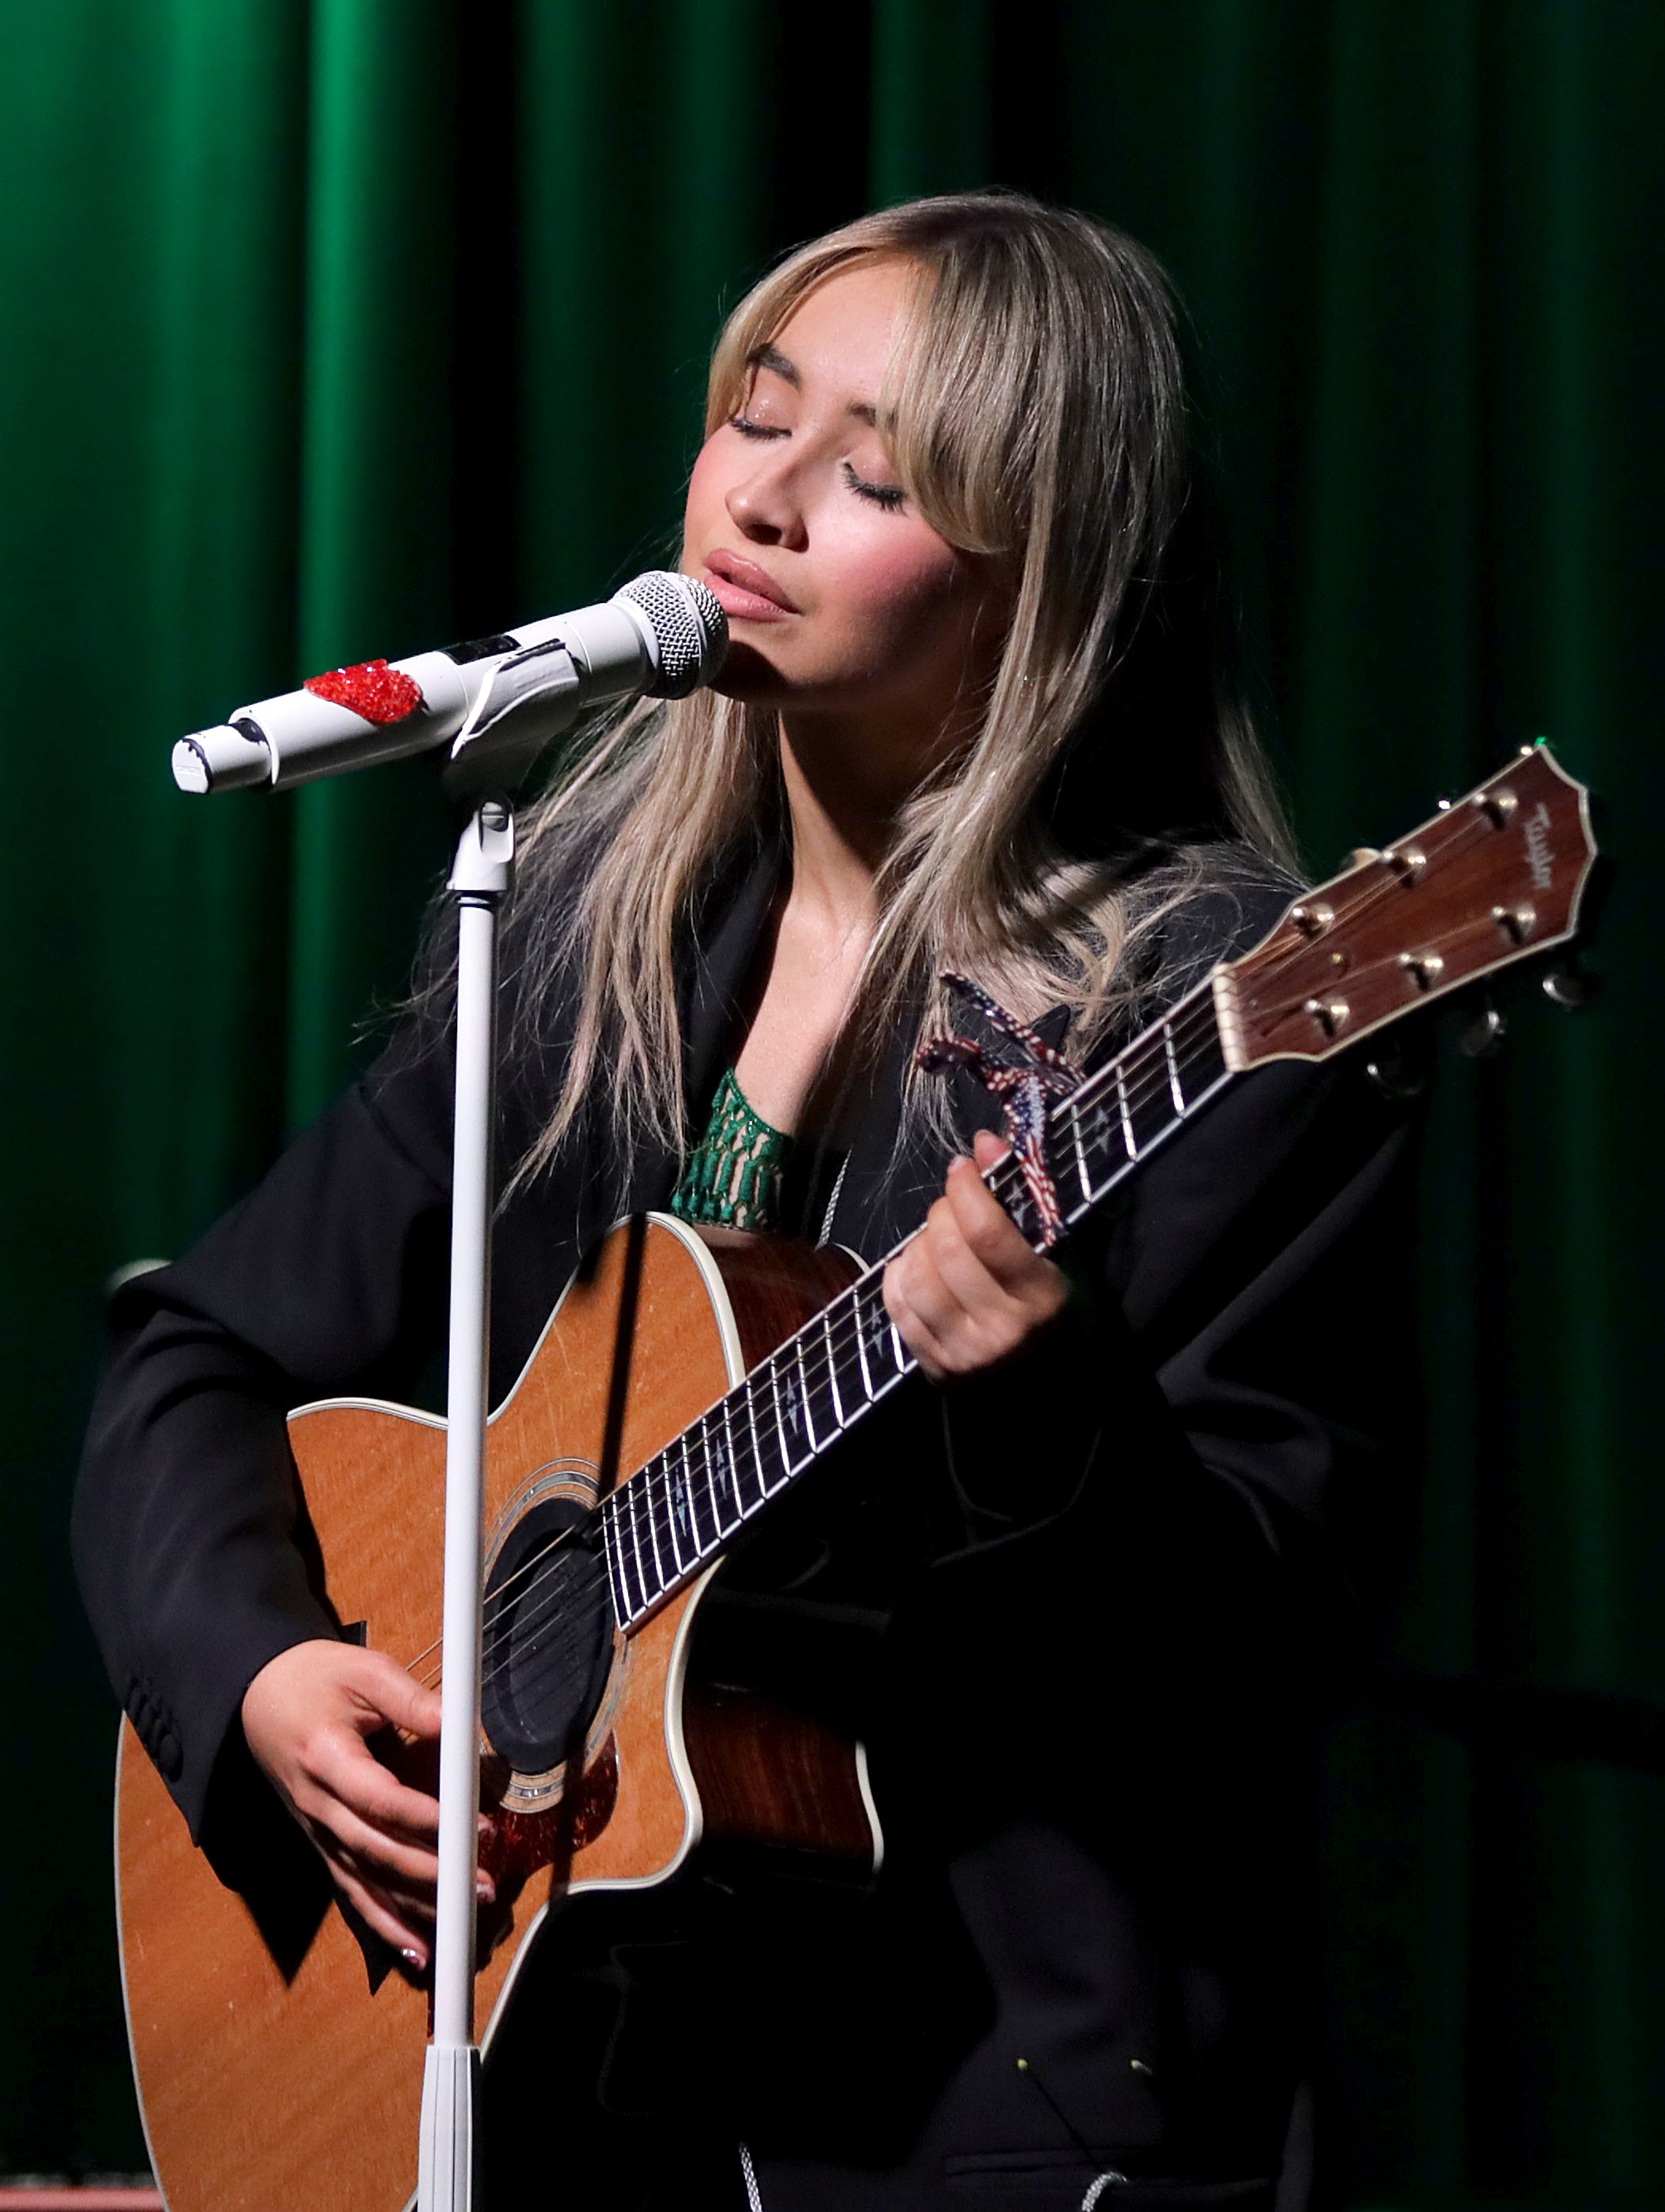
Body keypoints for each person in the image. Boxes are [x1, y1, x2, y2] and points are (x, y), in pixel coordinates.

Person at [75, 193, 1418, 2210]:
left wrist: (1053, 1423)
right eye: (753, 415)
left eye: (872, 473)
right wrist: (260, 1667)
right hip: (578, 2094)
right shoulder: (575, 927)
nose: (761, 501)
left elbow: (1272, 1631)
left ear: (1035, 579)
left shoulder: (1207, 996)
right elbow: (198, 1348)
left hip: (996, 2109)